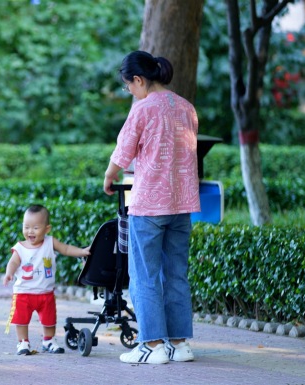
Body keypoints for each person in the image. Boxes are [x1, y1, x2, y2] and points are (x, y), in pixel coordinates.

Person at [103, 50, 200, 365]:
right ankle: (180, 344)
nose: (129, 91)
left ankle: (153, 345)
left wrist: (109, 176)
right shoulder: (186, 108)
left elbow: (124, 150)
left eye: (128, 85)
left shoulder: (143, 109)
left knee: (143, 275)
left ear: (139, 79)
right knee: (176, 275)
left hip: (149, 206)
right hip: (182, 205)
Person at [3, 204, 90, 355]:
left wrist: (82, 252)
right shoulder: (20, 247)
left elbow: (66, 249)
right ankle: (23, 343)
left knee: (49, 319)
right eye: (26, 227)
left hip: (46, 292)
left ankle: (48, 340)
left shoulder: (50, 242)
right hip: (23, 293)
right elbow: (13, 262)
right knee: (21, 320)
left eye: (35, 227)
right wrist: (9, 273)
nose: (30, 231)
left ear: (47, 229)